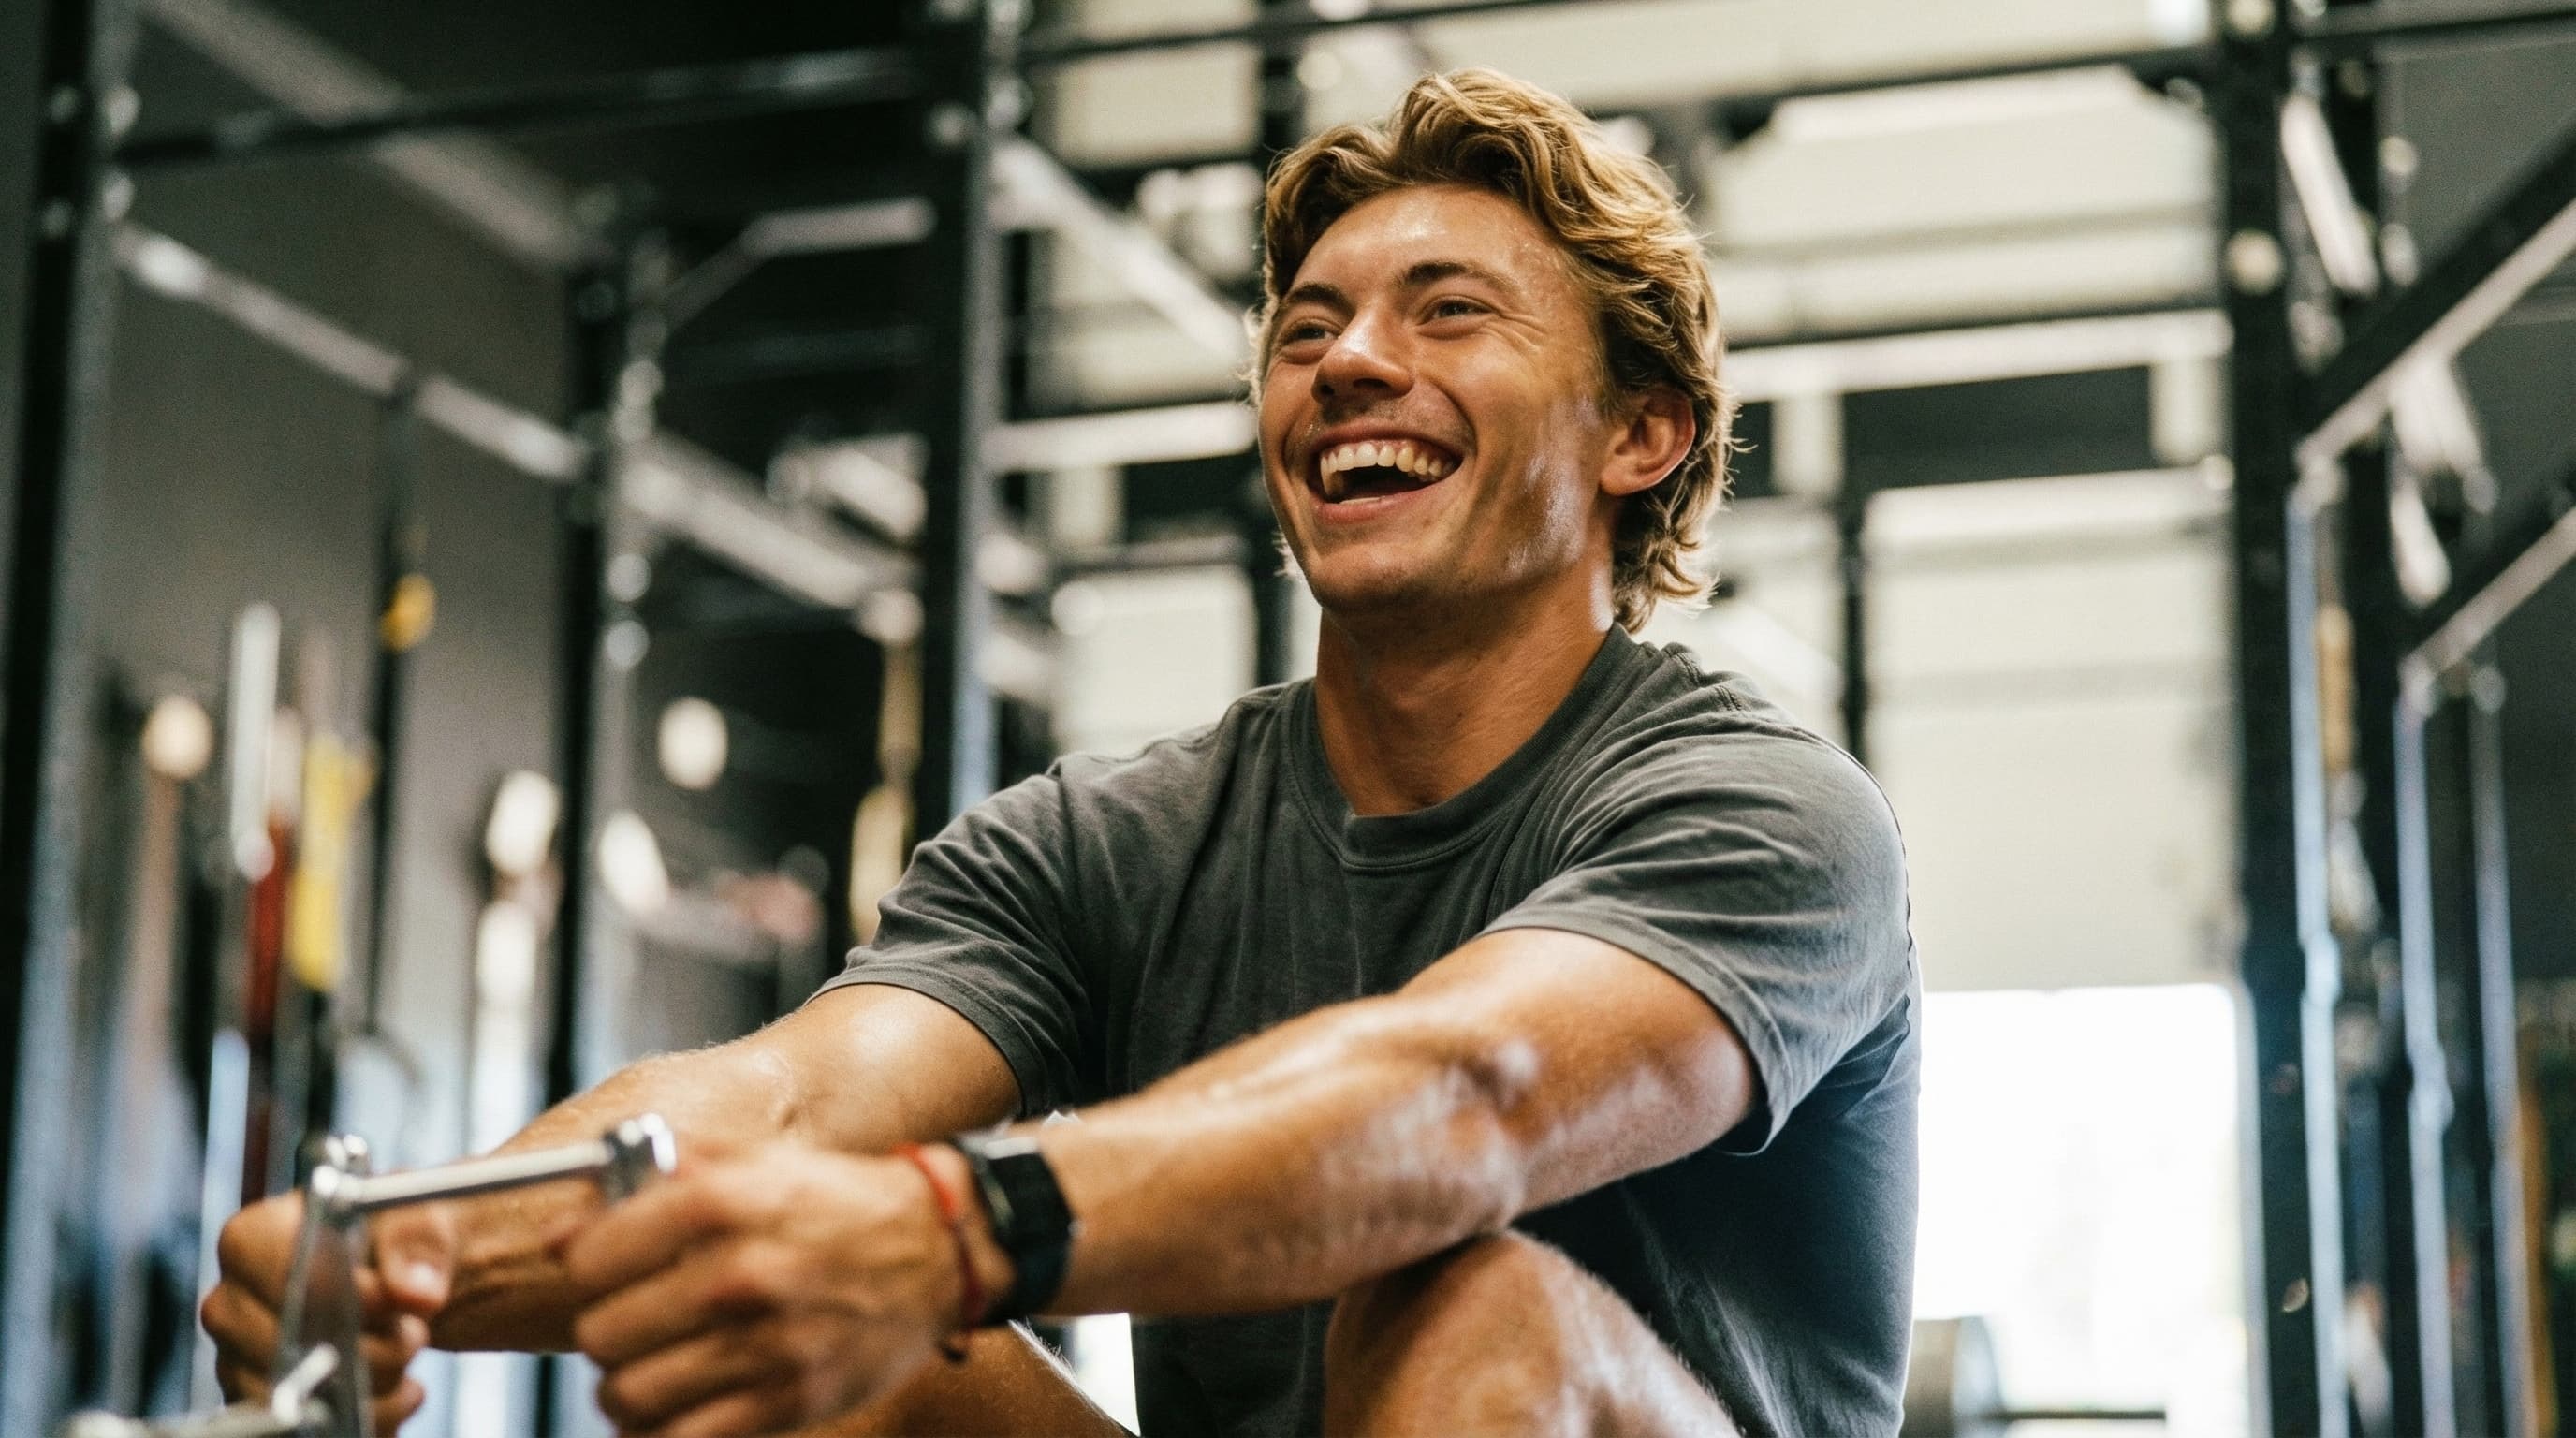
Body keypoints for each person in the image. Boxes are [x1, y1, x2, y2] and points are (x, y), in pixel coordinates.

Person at [204, 68, 1919, 1438]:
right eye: (1307, 330)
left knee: (1467, 1297)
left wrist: (952, 1230)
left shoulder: (1763, 809)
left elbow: (1459, 1103)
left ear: (1643, 431)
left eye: (1449, 312)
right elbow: (780, 1104)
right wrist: (403, 1241)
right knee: (804, 1328)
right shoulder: (1110, 839)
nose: (1351, 365)